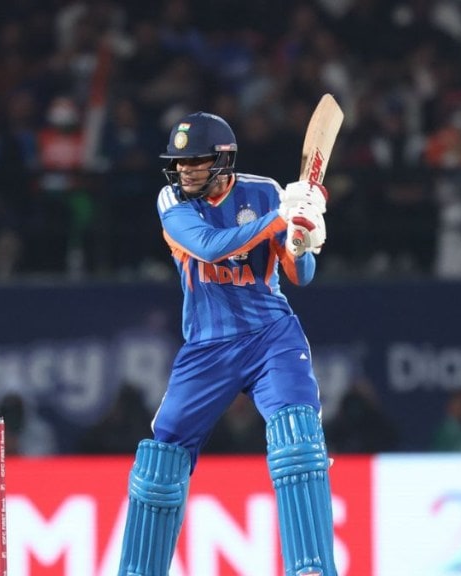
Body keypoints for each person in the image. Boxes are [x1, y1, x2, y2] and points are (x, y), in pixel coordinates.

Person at [117, 111, 337, 575]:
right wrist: (280, 219)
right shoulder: (171, 201)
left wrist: (301, 238)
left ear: (223, 159)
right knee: (161, 460)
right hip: (208, 346)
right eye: (179, 162)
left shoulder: (266, 192)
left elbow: (300, 275)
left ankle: (312, 568)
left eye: (195, 161)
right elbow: (211, 246)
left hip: (271, 336)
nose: (184, 171)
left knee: (298, 440)